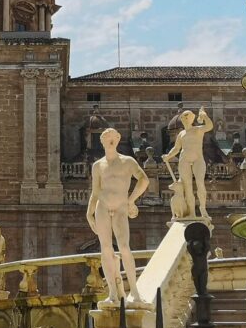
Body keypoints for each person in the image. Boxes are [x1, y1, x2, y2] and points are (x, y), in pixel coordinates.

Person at [86, 128, 149, 304]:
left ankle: (134, 292)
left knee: (124, 247)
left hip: (121, 207)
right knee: (105, 249)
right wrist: (89, 212)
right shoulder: (98, 165)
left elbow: (144, 180)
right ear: (102, 142)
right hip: (102, 207)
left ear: (118, 139)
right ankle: (112, 294)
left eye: (113, 137)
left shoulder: (127, 161)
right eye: (106, 137)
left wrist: (131, 201)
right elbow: (96, 191)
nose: (110, 140)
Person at [163, 108, 213, 219]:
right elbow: (176, 148)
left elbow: (209, 126)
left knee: (200, 184)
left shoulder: (198, 130)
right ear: (181, 119)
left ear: (192, 118)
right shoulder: (181, 134)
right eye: (184, 116)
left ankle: (203, 208)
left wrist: (204, 116)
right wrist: (168, 156)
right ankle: (192, 213)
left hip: (198, 159)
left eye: (188, 116)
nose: (186, 118)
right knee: (188, 188)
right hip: (184, 160)